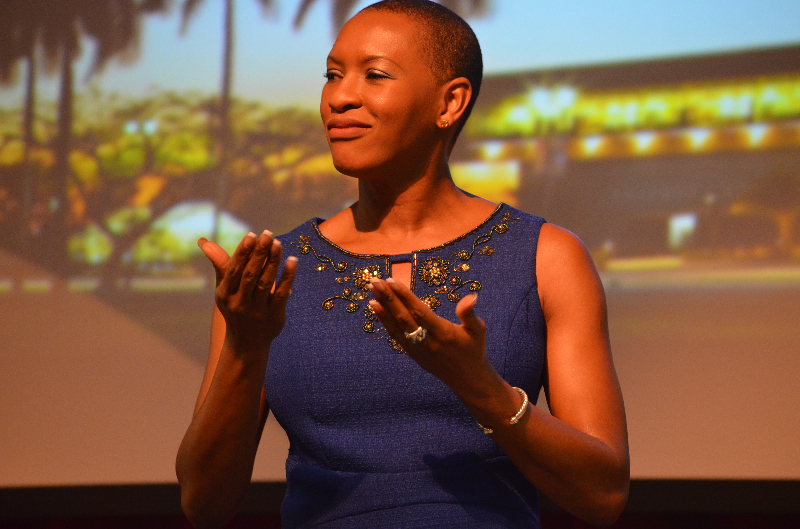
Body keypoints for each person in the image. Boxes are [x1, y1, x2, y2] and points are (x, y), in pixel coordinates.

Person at [176, 1, 629, 528]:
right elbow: (202, 505)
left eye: (374, 75)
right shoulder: (274, 272)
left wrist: (481, 387)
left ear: (450, 102)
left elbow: (603, 495)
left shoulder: (546, 256)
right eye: (332, 75)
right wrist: (244, 348)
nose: (339, 98)